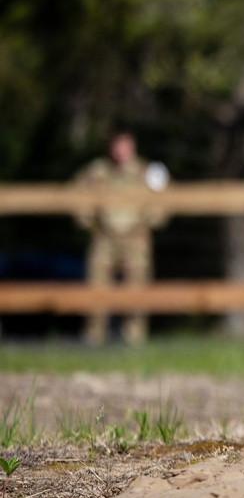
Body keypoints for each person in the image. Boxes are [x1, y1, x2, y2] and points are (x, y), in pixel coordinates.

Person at [74, 131, 168, 345]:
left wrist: (151, 220)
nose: (121, 151)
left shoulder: (147, 172)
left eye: (125, 146)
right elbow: (77, 195)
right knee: (96, 289)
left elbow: (163, 201)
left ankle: (134, 340)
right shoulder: (97, 171)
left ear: (133, 147)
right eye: (117, 146)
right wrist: (88, 221)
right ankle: (93, 338)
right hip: (104, 237)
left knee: (137, 290)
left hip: (136, 238)